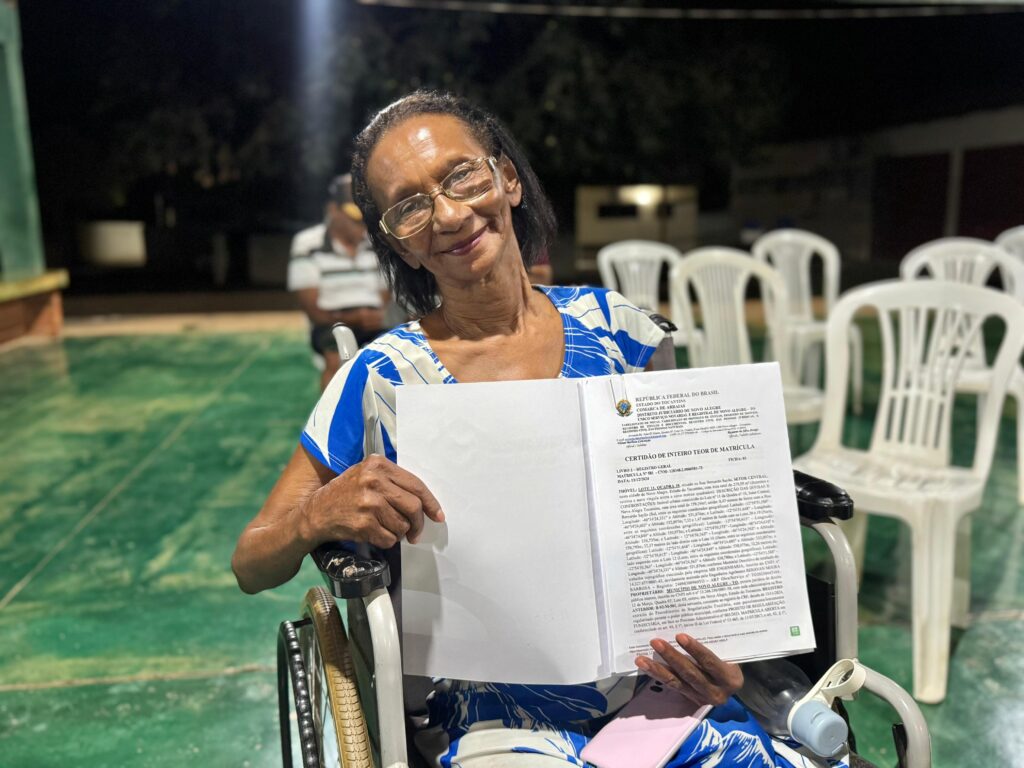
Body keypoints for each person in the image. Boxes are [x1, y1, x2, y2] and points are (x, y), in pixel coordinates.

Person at [233, 91, 818, 768]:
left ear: (506, 178)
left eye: (461, 177)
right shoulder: (380, 379)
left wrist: (723, 648)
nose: (449, 214)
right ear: (399, 244)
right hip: (491, 718)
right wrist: (318, 513)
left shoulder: (620, 330)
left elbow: (681, 519)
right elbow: (251, 562)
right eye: (410, 207)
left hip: (658, 692)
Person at [287, 173, 389, 390]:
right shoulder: (308, 244)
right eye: (354, 218)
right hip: (332, 324)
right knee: (337, 357)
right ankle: (332, 411)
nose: (361, 224)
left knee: (399, 355)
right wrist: (352, 318)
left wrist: (377, 316)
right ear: (333, 210)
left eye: (363, 217)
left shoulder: (376, 242)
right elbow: (312, 309)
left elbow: (385, 294)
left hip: (374, 322)